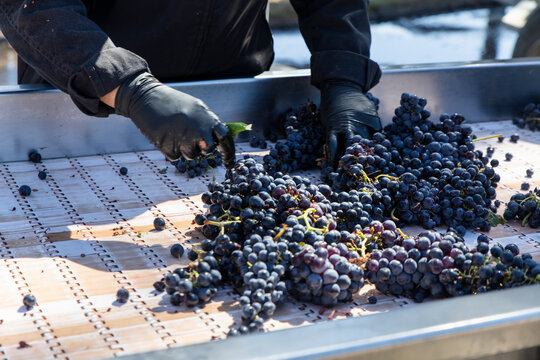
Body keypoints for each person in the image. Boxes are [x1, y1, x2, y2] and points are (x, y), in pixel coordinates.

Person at [0, 1, 381, 168]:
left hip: (234, 104)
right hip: (82, 110)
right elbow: (34, 5)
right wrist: (128, 87)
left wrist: (344, 76)